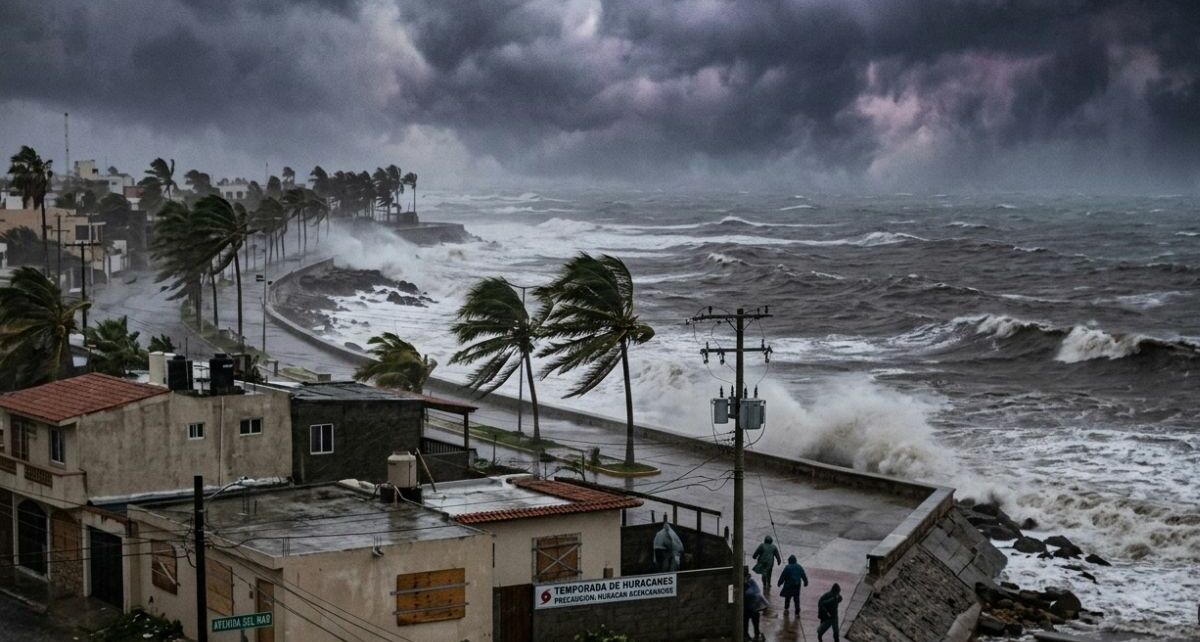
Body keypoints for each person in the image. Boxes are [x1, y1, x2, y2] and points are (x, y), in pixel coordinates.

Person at [743, 569, 768, 641]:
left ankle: (756, 636)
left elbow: (756, 593)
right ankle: (746, 635)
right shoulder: (746, 582)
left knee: (755, 623)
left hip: (753, 608)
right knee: (745, 623)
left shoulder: (751, 582)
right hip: (747, 608)